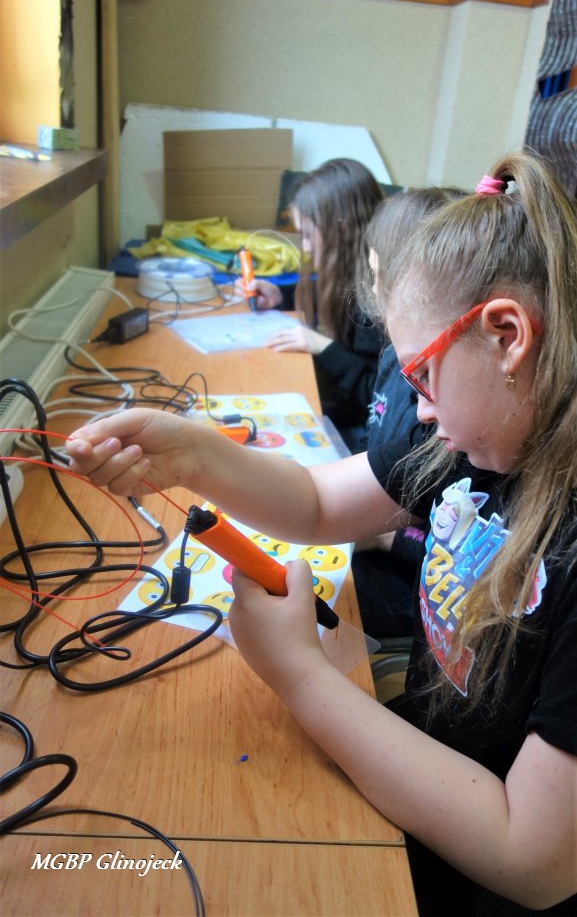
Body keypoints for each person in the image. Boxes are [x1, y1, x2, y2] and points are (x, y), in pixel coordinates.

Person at [66, 149, 577, 916]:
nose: (418, 410)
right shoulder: (479, 440)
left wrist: (300, 675)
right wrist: (192, 454)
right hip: (429, 768)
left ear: (506, 335)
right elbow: (313, 505)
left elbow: (532, 860)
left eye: (420, 376)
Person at [353, 188, 465, 639]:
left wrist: (386, 538)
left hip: (410, 585)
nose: (372, 288)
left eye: (378, 273)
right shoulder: (391, 360)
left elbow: (458, 558)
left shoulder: (461, 419)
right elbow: (375, 451)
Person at [239, 158, 386, 452]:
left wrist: (323, 347)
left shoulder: (376, 295)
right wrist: (281, 296)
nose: (304, 247)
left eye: (307, 235)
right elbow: (334, 296)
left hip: (367, 436)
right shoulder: (355, 271)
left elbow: (378, 399)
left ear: (340, 229)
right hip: (348, 413)